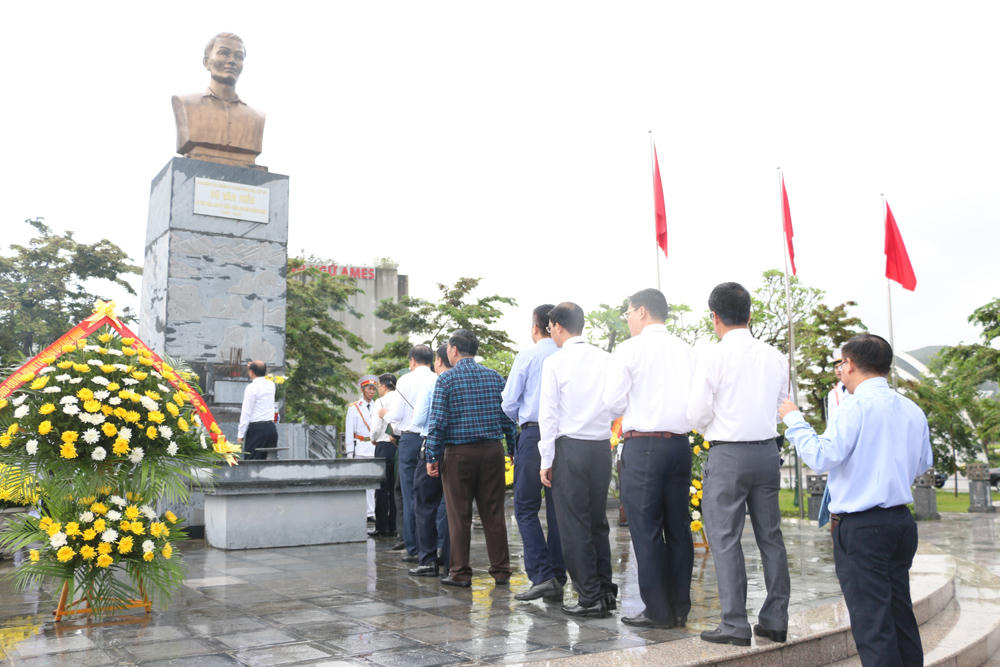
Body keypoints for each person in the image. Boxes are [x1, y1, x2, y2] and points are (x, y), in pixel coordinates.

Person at [779, 334, 932, 666]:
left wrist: (794, 419)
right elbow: (922, 463)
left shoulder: (855, 407)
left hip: (864, 527)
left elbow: (821, 457)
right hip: (900, 522)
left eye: (840, 362)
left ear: (849, 364)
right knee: (899, 614)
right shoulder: (912, 409)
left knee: (872, 623)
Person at [687, 282, 791, 646]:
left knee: (725, 538)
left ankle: (734, 624)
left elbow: (697, 411)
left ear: (714, 317)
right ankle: (776, 620)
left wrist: (708, 427)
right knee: (770, 538)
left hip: (728, 454)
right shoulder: (776, 357)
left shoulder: (711, 356)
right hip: (766, 452)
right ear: (750, 314)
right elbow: (784, 403)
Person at [604, 288, 695, 628]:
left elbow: (612, 403)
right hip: (679, 446)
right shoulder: (688, 350)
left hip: (643, 447)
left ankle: (658, 611)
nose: (627, 319)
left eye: (628, 312)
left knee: (645, 529)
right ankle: (680, 606)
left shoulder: (629, 349)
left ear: (642, 311)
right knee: (678, 527)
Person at [538, 302, 616, 618]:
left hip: (569, 447)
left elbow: (549, 415)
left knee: (574, 525)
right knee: (598, 522)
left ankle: (589, 597)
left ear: (557, 325)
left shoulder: (556, 363)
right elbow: (616, 403)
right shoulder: (607, 359)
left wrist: (546, 458)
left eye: (550, 328)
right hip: (600, 447)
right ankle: (606, 592)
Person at [425, 329, 516, 588]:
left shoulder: (446, 381)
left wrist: (431, 455)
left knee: (459, 515)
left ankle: (460, 573)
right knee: (494, 513)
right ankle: (501, 571)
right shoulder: (495, 377)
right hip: (491, 452)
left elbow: (438, 422)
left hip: (458, 455)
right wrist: (512, 449)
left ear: (453, 350)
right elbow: (507, 419)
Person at [501, 304, 566, 603]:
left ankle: (542, 576)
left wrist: (521, 422)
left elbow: (509, 401)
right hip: (565, 436)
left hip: (534, 431)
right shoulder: (567, 354)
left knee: (525, 506)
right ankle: (558, 574)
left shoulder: (529, 355)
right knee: (557, 509)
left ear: (537, 326)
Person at [172, 33, 266, 168]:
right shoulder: (186, 104)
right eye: (224, 53)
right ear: (206, 62)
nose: (232, 61)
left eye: (238, 57)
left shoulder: (256, 117)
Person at [384, 345, 438, 558]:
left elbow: (396, 414)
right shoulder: (436, 378)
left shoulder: (405, 380)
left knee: (409, 494)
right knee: (432, 494)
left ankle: (413, 547)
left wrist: (385, 415)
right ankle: (432, 545)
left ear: (412, 361)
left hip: (410, 439)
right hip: (432, 440)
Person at [407, 344, 452, 577]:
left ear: (439, 361)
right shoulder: (460, 381)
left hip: (432, 446)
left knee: (425, 504)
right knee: (453, 505)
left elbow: (420, 419)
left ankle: (427, 560)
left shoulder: (432, 383)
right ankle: (450, 559)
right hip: (456, 449)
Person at [816, 349, 849, 529]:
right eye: (836, 367)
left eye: (841, 365)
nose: (838, 370)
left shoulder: (855, 391)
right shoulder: (834, 392)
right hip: (836, 441)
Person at [368, 374, 399, 539]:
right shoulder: (400, 398)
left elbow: (375, 428)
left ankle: (381, 527)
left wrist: (373, 439)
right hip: (397, 446)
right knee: (395, 488)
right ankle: (394, 526)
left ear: (384, 386)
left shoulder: (380, 402)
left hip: (382, 446)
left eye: (378, 386)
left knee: (381, 488)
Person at [345, 375, 378, 522]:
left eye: (373, 389)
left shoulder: (378, 406)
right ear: (362, 390)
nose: (372, 392)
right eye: (369, 389)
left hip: (374, 447)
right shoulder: (354, 408)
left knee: (372, 483)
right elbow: (349, 430)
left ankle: (371, 512)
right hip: (360, 448)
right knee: (360, 481)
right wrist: (349, 452)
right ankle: (360, 511)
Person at [236, 360, 277, 460]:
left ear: (251, 372)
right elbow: (260, 369)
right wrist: (253, 367)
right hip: (271, 429)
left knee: (252, 463)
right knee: (270, 463)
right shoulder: (271, 385)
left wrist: (241, 434)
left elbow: (246, 412)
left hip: (257, 430)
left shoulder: (251, 388)